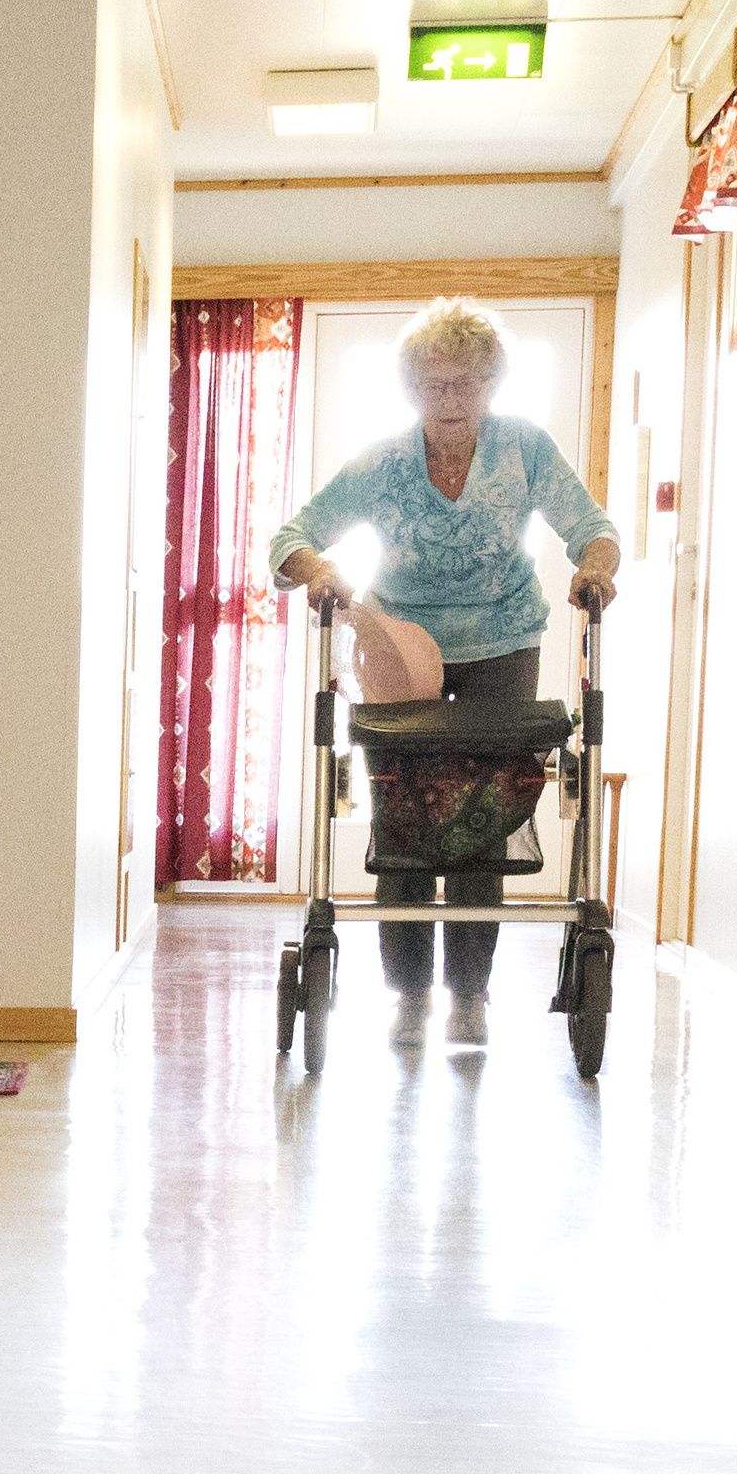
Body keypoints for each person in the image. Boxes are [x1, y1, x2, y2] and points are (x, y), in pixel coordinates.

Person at [269, 300, 622, 1039]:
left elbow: (593, 528)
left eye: (467, 383)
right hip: (401, 651)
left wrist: (595, 567)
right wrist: (320, 569)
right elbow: (291, 537)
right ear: (411, 389)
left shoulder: (523, 449)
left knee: (479, 819)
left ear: (492, 383)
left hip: (502, 642)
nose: (451, 399)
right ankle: (407, 993)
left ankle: (468, 994)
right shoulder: (383, 462)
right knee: (405, 815)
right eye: (435, 385)